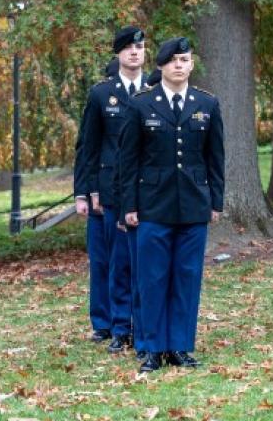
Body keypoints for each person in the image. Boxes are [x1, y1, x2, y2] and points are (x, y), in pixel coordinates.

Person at [119, 37, 224, 373]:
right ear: (161, 66)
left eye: (185, 59)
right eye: (173, 60)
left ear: (192, 65)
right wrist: (128, 205)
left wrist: (215, 201)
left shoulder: (207, 103)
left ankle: (179, 346)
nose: (179, 65)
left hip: (193, 204)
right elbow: (128, 161)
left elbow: (215, 158)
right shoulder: (141, 104)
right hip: (152, 205)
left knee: (186, 277)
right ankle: (151, 347)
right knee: (152, 278)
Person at [73, 26, 147, 351]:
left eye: (140, 47)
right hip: (109, 188)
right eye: (128, 47)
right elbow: (87, 147)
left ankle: (138, 321)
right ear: (118, 54)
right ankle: (112, 325)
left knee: (139, 260)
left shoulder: (153, 90)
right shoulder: (102, 93)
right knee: (111, 260)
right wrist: (84, 191)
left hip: (145, 187)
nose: (134, 52)